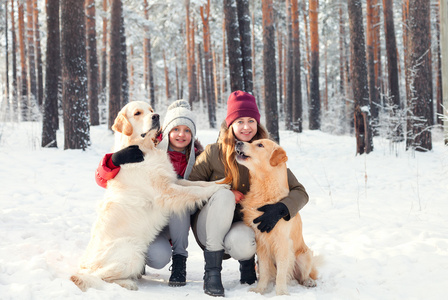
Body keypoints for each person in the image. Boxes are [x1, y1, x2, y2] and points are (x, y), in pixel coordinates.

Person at [188, 90, 309, 297]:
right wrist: (221, 189)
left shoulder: (263, 152)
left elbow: (300, 192)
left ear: (257, 124)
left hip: (240, 228)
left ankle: (247, 266)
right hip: (209, 227)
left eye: (251, 120)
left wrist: (282, 208)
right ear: (230, 125)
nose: (246, 127)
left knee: (247, 241)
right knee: (225, 196)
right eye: (240, 121)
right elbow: (190, 187)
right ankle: (212, 273)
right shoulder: (213, 153)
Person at [95, 99, 202, 287]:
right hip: (149, 225)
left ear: (193, 134)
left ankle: (179, 260)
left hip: (176, 224)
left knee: (179, 199)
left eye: (187, 130)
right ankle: (133, 263)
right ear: (167, 130)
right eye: (176, 129)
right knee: (157, 257)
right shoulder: (149, 148)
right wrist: (114, 161)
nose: (181, 134)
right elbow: (102, 179)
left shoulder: (200, 158)